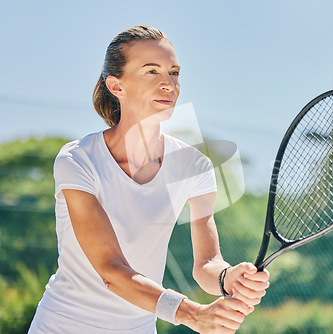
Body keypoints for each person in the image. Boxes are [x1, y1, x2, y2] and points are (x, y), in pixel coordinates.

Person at [28, 25, 270, 334]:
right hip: (61, 325)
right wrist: (192, 313)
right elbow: (111, 270)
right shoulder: (77, 160)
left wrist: (227, 277)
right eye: (151, 72)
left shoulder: (194, 166)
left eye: (174, 72)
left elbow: (207, 262)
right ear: (117, 86)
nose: (168, 83)